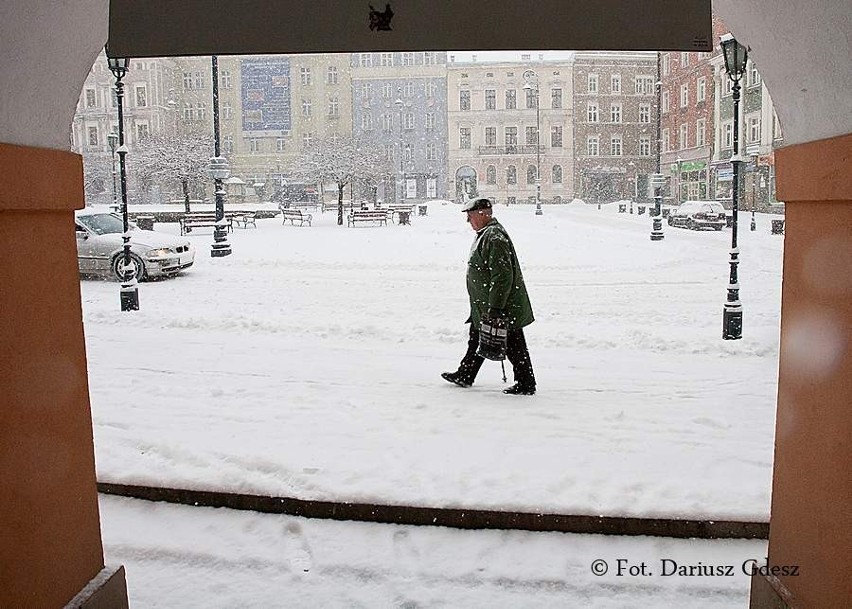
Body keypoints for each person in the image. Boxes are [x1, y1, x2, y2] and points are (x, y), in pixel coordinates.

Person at [442, 197, 537, 395]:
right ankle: (466, 374)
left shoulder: (494, 237)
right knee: (477, 338)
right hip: (485, 305)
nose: (468, 221)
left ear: (483, 214)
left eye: (470, 216)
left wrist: (495, 307)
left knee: (514, 344)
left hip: (501, 306)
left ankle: (526, 383)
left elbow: (502, 276)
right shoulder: (486, 234)